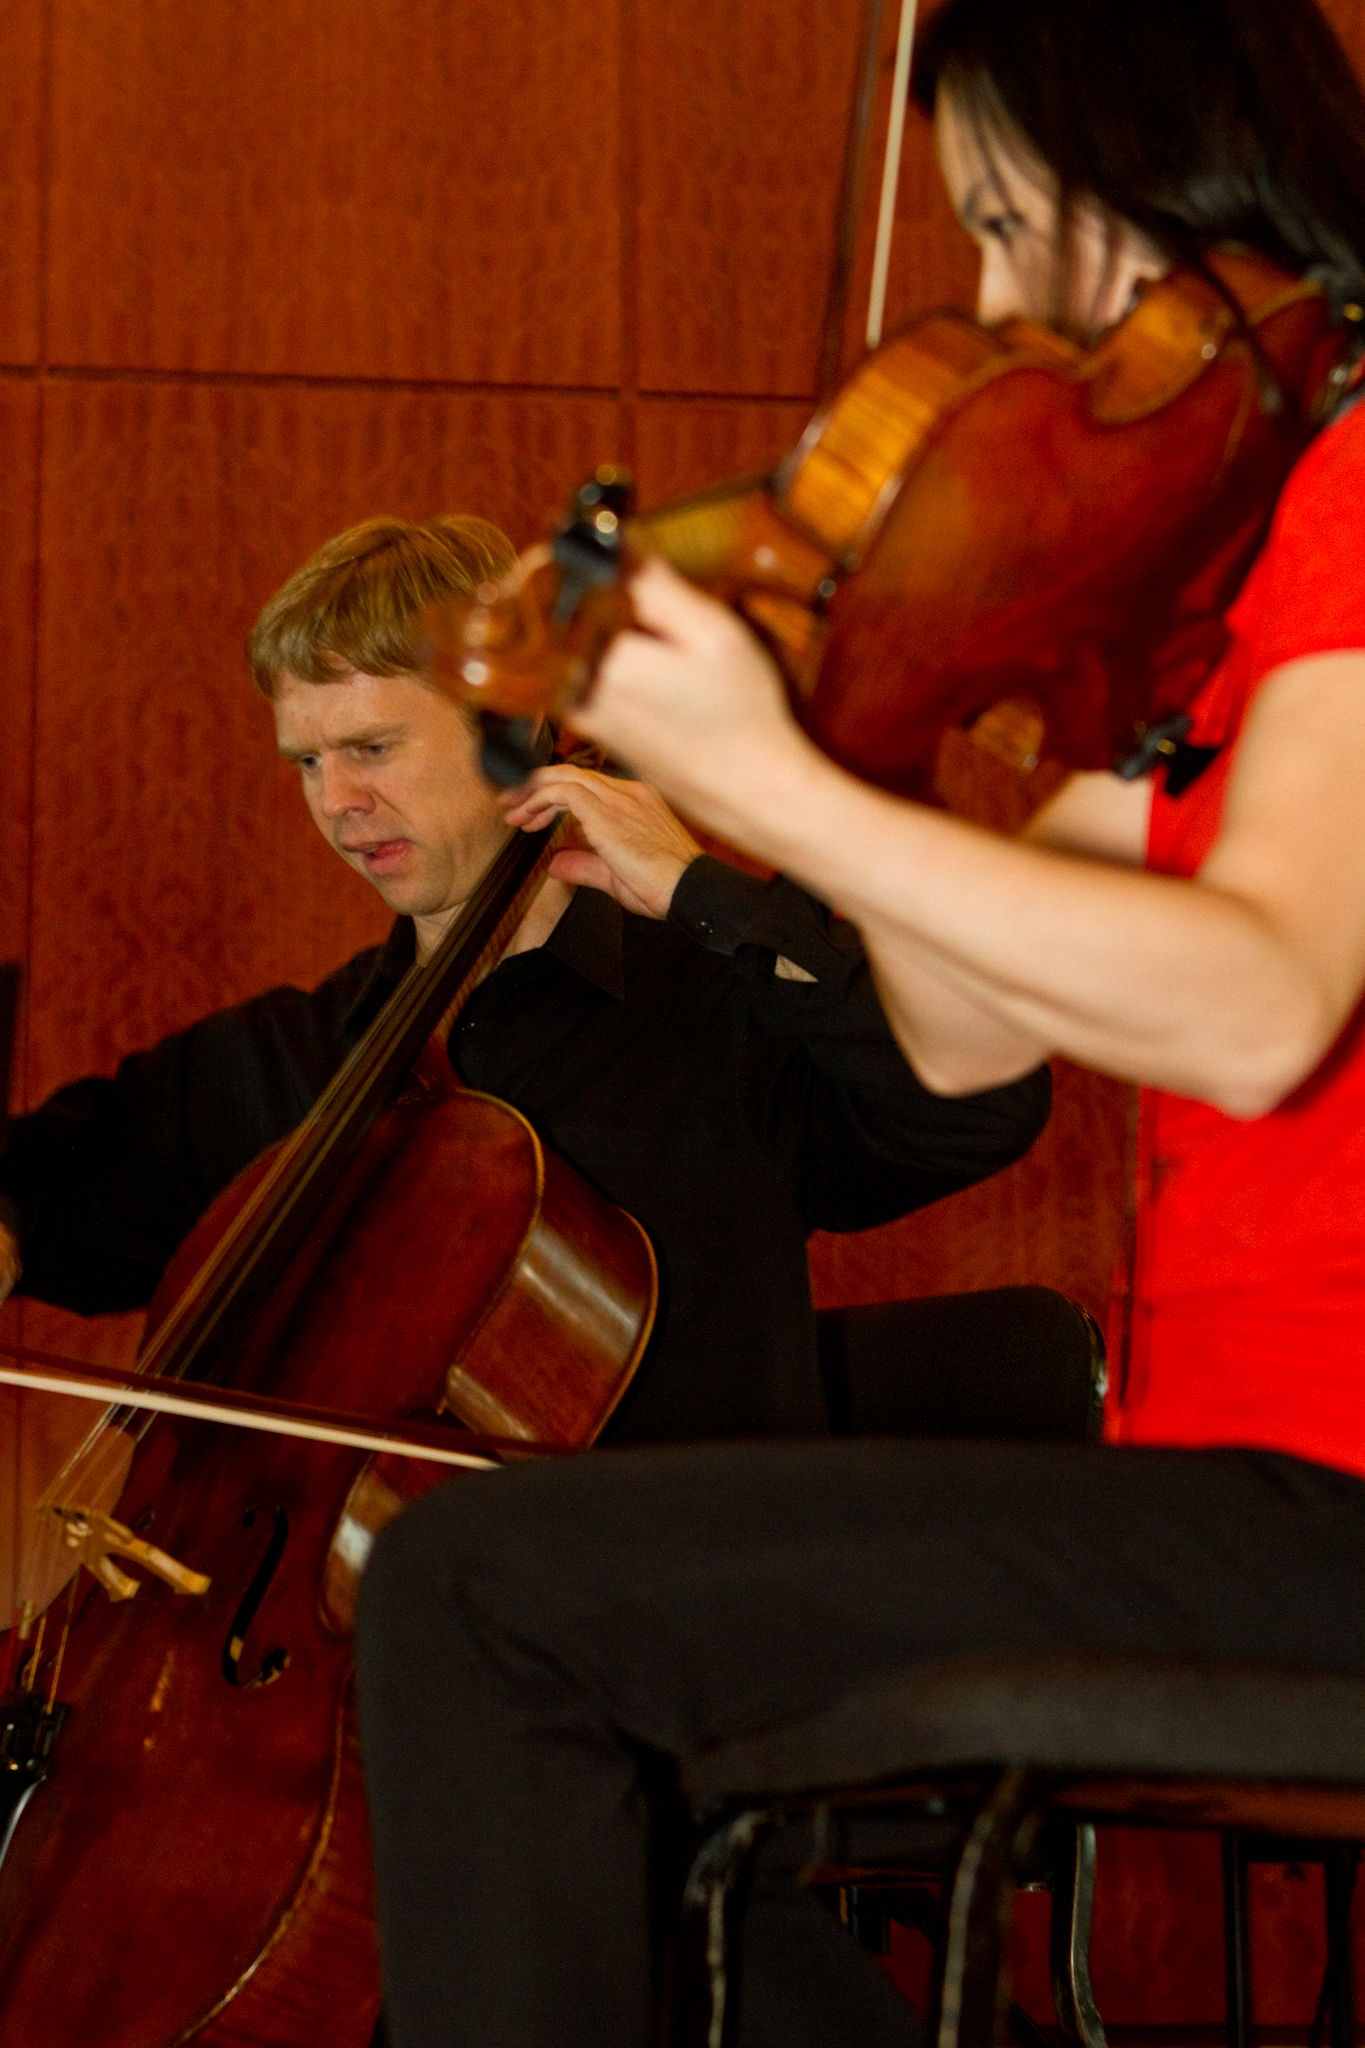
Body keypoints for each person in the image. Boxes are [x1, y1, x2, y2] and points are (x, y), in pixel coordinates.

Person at [350, 2, 1365, 2044]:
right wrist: (868, 729)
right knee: (551, 1642)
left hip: (1324, 1499)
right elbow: (968, 1031)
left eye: (1009, 221)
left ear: (1164, 174)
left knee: (482, 1598)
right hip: (1235, 1484)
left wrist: (797, 791)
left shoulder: (1352, 478)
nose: (991, 307)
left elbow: (1259, 1006)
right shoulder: (1218, 580)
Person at [0, 513, 1048, 1454]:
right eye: (307, 762)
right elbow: (54, 1203)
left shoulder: (724, 1009)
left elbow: (980, 1106)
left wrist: (701, 893)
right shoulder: (294, 1059)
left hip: (675, 1622)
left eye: (371, 746)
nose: (338, 801)